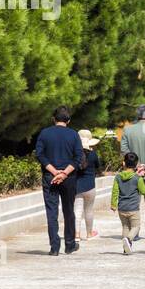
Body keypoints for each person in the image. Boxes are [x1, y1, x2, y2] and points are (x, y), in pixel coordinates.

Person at [34, 105, 85, 256]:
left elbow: (40, 154)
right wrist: (64, 174)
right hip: (69, 178)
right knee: (69, 210)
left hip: (50, 177)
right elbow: (78, 157)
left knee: (52, 212)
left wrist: (54, 171)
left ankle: (54, 247)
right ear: (68, 120)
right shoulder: (73, 135)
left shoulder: (44, 133)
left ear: (53, 119)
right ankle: (69, 244)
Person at [121, 109, 145, 239]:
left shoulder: (127, 130)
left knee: (133, 203)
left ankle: (134, 233)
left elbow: (124, 151)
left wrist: (135, 166)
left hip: (132, 173)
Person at [111, 151, 145, 254]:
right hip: (133, 209)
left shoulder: (118, 177)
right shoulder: (137, 178)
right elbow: (143, 191)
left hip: (122, 208)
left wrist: (113, 204)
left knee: (125, 227)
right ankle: (129, 239)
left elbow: (115, 191)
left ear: (124, 163)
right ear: (136, 165)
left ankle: (126, 249)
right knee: (136, 227)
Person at [75, 129, 101, 238]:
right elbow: (99, 167)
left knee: (77, 211)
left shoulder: (75, 155)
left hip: (76, 187)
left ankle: (76, 235)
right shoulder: (93, 155)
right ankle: (89, 234)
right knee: (89, 211)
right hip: (90, 187)